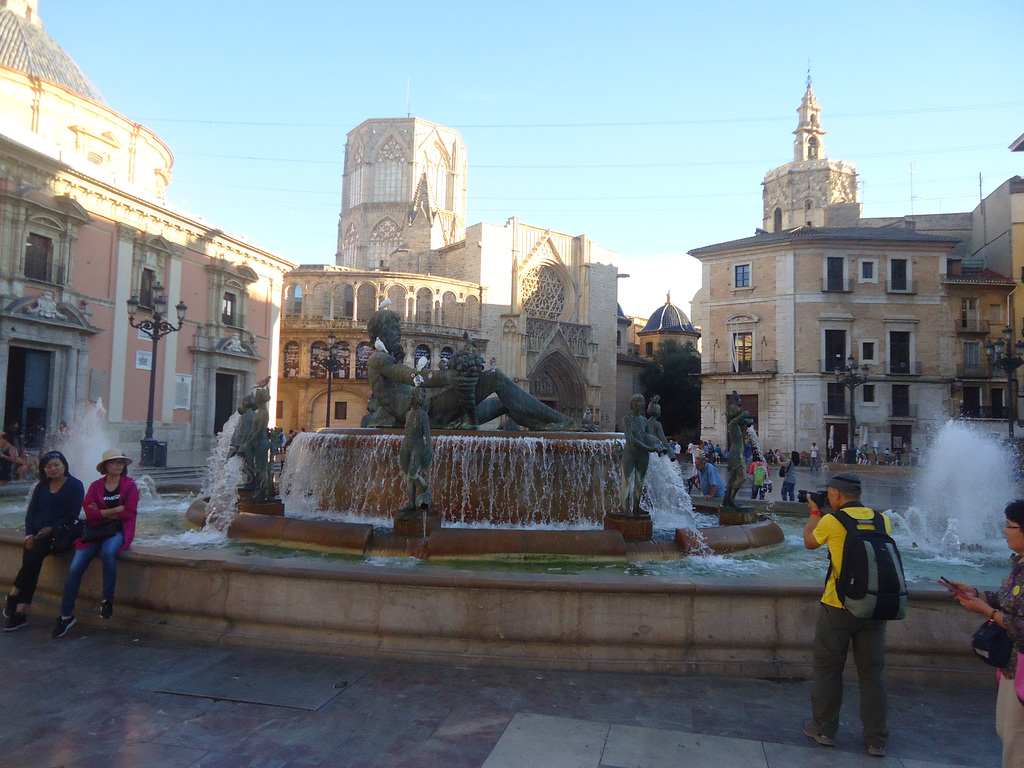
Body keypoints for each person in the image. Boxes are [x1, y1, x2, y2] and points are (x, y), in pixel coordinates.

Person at [801, 472, 890, 757]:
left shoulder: (832, 520)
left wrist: (815, 510)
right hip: (875, 607)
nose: (827, 497)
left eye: (829, 493)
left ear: (837, 495)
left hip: (838, 607)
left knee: (828, 668)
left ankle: (824, 729)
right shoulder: (882, 519)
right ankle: (876, 740)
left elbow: (809, 542)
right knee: (872, 673)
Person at [947, 500, 1024, 767]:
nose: (1004, 532)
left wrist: (987, 612)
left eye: (1010, 526)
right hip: (1010, 666)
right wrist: (977, 595)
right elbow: (1006, 602)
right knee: (1006, 730)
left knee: (1017, 740)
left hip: (1022, 666)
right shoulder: (1019, 566)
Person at [53, 448, 139, 638]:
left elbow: (129, 513)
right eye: (114, 462)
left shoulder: (130, 485)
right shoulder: (95, 486)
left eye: (121, 462)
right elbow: (89, 512)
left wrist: (102, 512)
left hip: (117, 531)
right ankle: (65, 615)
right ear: (106, 466)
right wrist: (114, 510)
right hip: (94, 532)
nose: (118, 465)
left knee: (109, 553)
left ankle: (107, 599)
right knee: (75, 568)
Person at [4, 451, 85, 631]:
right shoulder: (41, 486)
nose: (53, 469)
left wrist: (51, 529)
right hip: (37, 534)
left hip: (60, 535)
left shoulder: (75, 485)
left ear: (64, 465)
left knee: (32, 559)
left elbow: (72, 514)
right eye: (49, 466)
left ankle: (14, 594)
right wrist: (28, 535)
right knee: (31, 563)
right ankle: (20, 611)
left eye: (57, 464)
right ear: (44, 470)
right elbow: (31, 512)